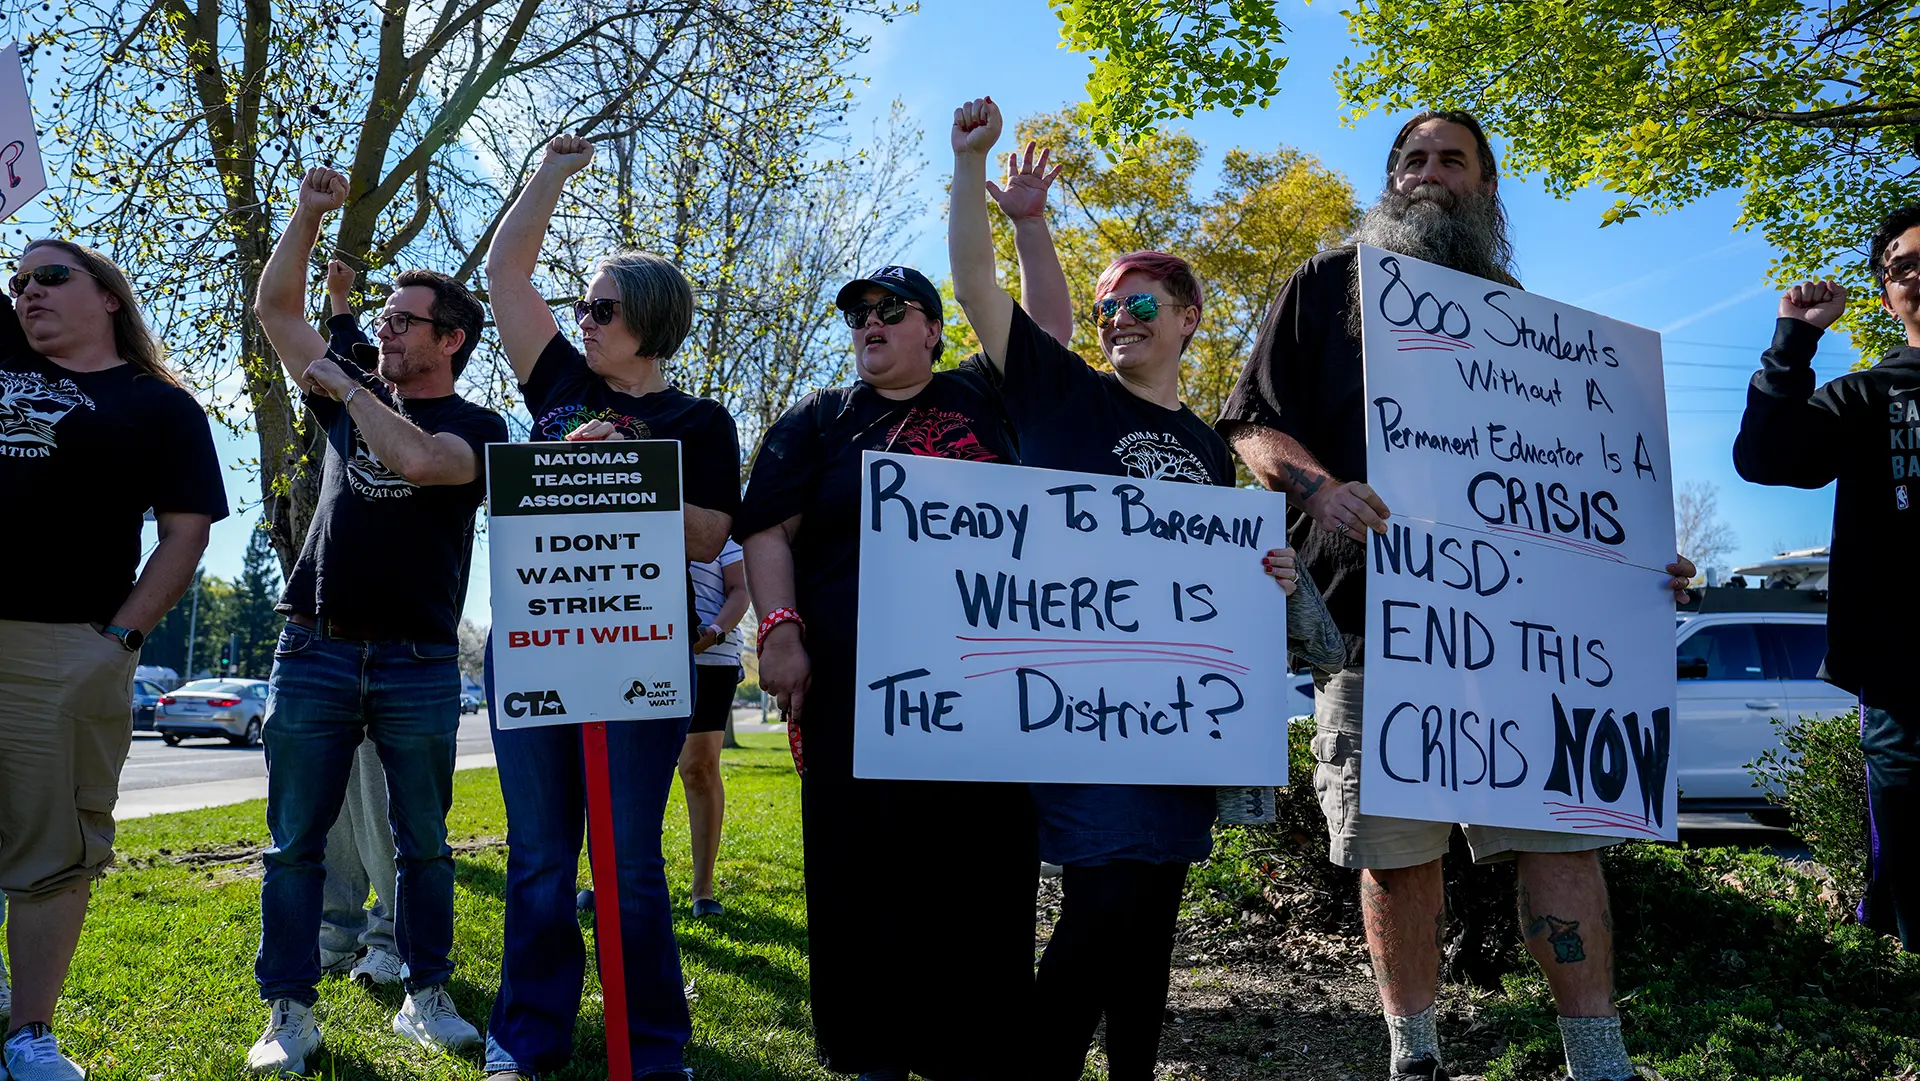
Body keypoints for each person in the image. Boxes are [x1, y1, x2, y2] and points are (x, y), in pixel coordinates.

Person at [1215, 110, 1695, 1081]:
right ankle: (1416, 1057)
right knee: (1396, 854)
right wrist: (1322, 489)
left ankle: (1600, 1061)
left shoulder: (1532, 324)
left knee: (1565, 838)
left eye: (1452, 160)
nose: (1429, 173)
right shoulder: (1326, 285)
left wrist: (1642, 563)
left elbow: (1585, 484)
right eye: (1411, 160)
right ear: (1390, 180)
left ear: (1487, 188)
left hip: (1530, 643)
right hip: (1372, 625)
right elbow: (1252, 426)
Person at [946, 96, 1310, 1081]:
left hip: (1179, 721)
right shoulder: (1062, 394)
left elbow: (1212, 579)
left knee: (1149, 921)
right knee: (1103, 906)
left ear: (1189, 319)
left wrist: (1265, 575)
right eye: (1108, 306)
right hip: (1083, 710)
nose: (1117, 319)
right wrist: (979, 177)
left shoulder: (1206, 446)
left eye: (1139, 305)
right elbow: (976, 286)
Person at [740, 252, 1053, 1080]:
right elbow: (766, 529)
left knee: (982, 869)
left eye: (890, 309)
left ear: (934, 329)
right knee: (862, 869)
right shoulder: (819, 419)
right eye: (858, 314)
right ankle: (873, 1052)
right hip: (856, 691)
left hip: (987, 688)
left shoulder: (984, 394)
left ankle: (973, 1051)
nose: (869, 323)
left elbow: (1047, 331)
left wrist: (1027, 225)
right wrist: (780, 630)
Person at [482, 134, 740, 1081]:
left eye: (602, 309)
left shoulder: (701, 422)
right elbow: (506, 274)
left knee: (628, 861)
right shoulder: (558, 382)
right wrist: (550, 172)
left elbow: (708, 535)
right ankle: (528, 1038)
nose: (583, 322)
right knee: (540, 856)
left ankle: (652, 1047)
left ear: (652, 323)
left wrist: (622, 472)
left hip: (639, 646)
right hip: (535, 642)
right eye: (582, 307)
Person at [246, 166, 508, 1073]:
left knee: (425, 842)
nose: (383, 329)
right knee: (294, 845)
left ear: (451, 339)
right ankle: (288, 1012)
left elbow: (425, 462)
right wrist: (305, 215)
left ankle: (424, 995)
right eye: (383, 318)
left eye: (403, 321)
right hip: (314, 645)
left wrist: (351, 389)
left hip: (419, 658)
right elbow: (277, 311)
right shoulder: (351, 388)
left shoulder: (481, 423)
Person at [0, 238, 227, 1080]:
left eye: (50, 275)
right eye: (17, 280)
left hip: (63, 647)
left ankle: (28, 1034)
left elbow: (185, 534)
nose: (28, 290)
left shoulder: (160, 406)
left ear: (108, 296)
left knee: (52, 847)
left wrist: (120, 642)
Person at [1732, 204, 1920, 950]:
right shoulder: (1867, 396)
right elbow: (1766, 458)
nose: (1917, 274)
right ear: (1886, 295)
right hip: (1905, 681)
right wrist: (1795, 339)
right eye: (1903, 266)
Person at [313, 259, 402, 989]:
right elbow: (341, 354)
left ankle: (392, 937)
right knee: (330, 804)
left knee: (383, 805)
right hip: (324, 637)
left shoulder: (446, 421)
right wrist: (339, 298)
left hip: (397, 639)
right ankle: (334, 933)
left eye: (403, 326)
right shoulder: (347, 406)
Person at [680, 540, 749, 918]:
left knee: (699, 769)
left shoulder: (723, 525)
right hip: (640, 651)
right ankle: (615, 879)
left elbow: (740, 589)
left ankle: (702, 891)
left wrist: (715, 632)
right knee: (629, 769)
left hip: (712, 657)